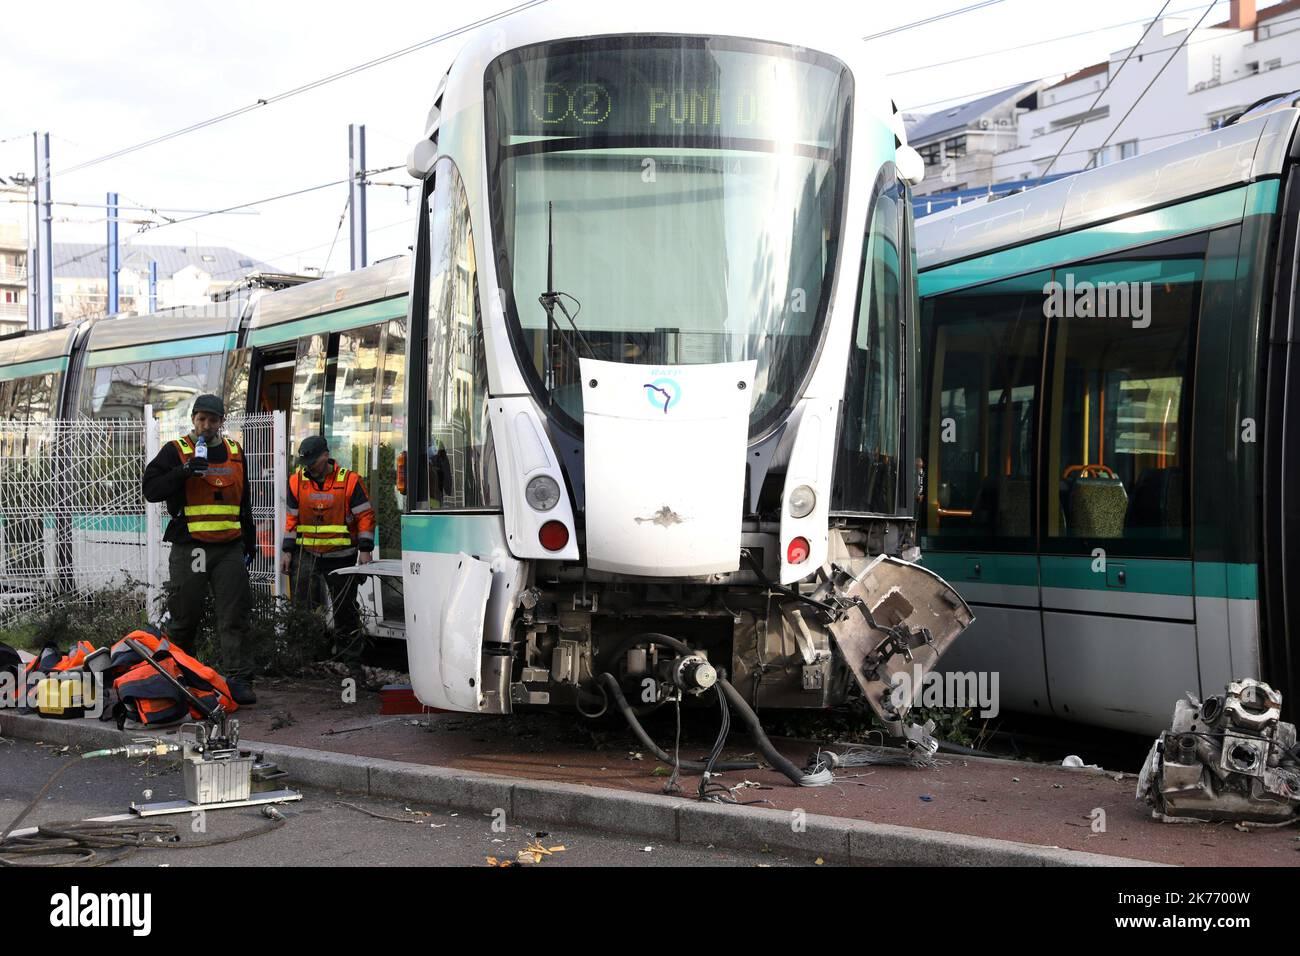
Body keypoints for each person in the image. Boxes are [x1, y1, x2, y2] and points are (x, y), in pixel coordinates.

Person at [142, 394, 258, 705]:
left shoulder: (235, 453)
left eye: (212, 420)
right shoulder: (176, 451)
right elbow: (150, 490)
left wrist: (251, 540)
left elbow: (245, 501)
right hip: (192, 547)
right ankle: (178, 674)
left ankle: (239, 679)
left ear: (222, 422)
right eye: (201, 419)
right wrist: (183, 472)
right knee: (185, 614)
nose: (206, 425)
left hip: (229, 547)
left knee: (234, 614)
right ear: (193, 419)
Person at [279, 435, 375, 658]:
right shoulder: (296, 481)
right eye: (304, 464)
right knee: (303, 608)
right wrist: (287, 551)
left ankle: (349, 657)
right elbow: (292, 519)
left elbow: (365, 516)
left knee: (345, 610)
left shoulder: (350, 481)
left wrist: (365, 550)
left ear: (326, 456)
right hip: (307, 555)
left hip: (342, 556)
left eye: (312, 462)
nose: (308, 468)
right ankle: (305, 656)